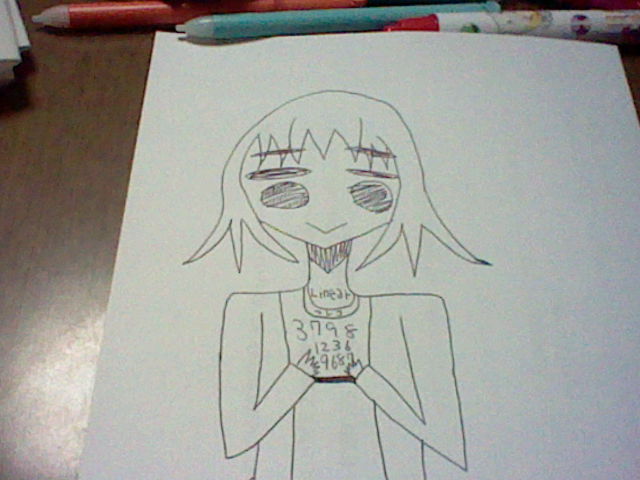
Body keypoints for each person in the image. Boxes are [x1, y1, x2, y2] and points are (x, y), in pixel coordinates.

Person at [186, 90, 489, 480]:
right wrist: (301, 373)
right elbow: (238, 438)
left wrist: (365, 375)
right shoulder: (252, 310)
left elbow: (447, 440)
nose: (326, 215)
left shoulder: (416, 311)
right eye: (284, 187)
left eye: (367, 189)